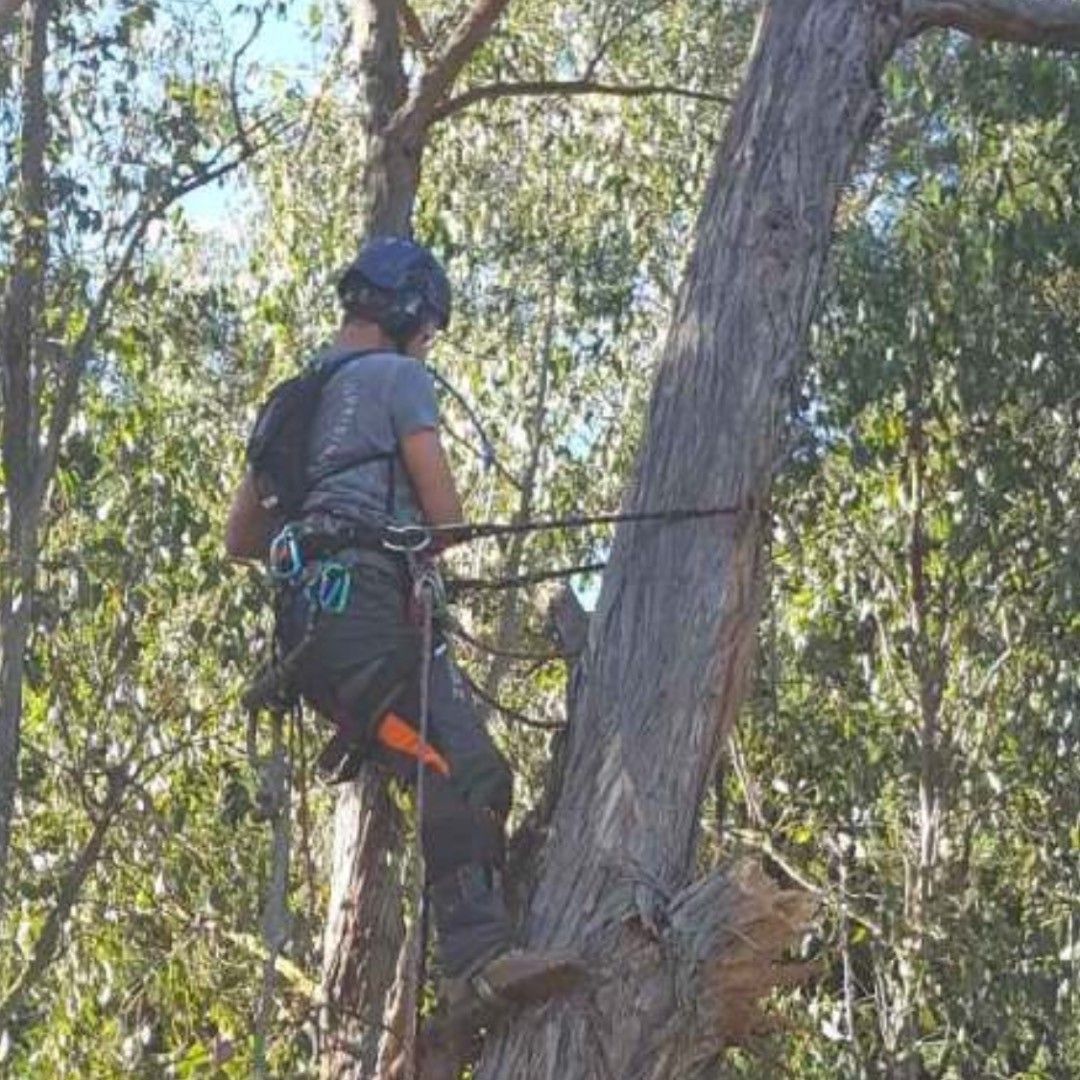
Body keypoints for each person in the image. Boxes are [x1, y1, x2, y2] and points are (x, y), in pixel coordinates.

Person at [225, 236, 577, 1007]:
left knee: (428, 758)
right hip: (373, 620)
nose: (427, 345)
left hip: (310, 640)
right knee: (467, 766)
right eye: (429, 330)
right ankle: (478, 964)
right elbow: (445, 521)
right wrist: (415, 533)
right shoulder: (397, 379)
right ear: (411, 311)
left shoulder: (292, 399)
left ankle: (474, 955)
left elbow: (240, 539)